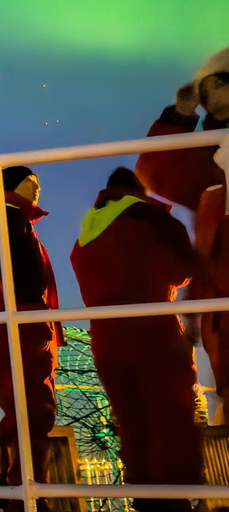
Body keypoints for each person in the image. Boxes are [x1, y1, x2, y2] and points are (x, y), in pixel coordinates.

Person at [70, 167, 202, 512]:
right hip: (152, 329)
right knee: (170, 417)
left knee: (131, 422)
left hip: (106, 337)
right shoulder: (150, 219)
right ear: (137, 190)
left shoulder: (87, 231)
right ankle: (176, 502)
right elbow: (181, 270)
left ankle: (144, 500)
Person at [135, 46, 229, 424]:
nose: (205, 95)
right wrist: (180, 115)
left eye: (215, 83)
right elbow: (155, 171)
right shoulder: (206, 156)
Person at [0, 166, 63, 512]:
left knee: (26, 409)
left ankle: (25, 492)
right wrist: (35, 307)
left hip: (16, 320)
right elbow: (22, 275)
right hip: (21, 321)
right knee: (30, 411)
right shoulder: (8, 218)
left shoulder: (4, 218)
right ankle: (26, 495)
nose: (37, 188)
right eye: (30, 182)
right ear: (11, 186)